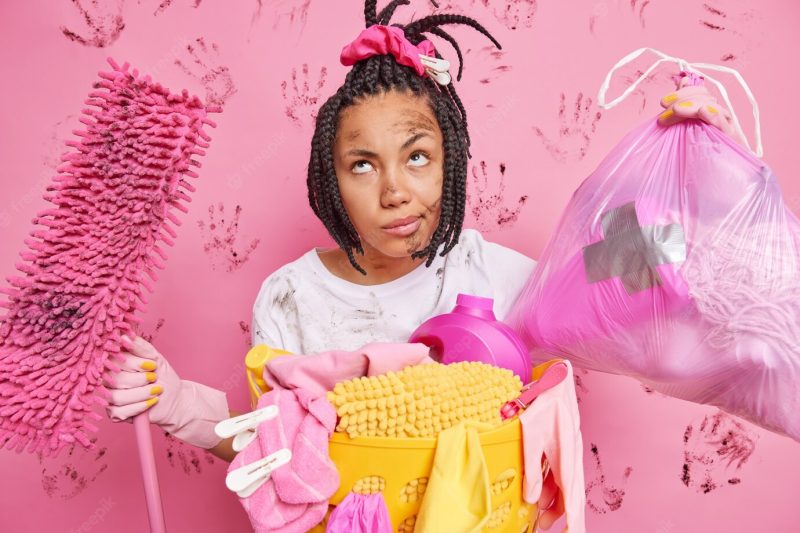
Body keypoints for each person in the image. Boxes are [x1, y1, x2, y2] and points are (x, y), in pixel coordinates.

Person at [103, 0, 739, 529]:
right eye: (362, 165)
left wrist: (687, 156)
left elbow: (641, 273)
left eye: (416, 157)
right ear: (330, 179)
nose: (394, 192)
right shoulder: (293, 296)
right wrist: (177, 402)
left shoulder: (492, 275)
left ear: (450, 162)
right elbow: (275, 453)